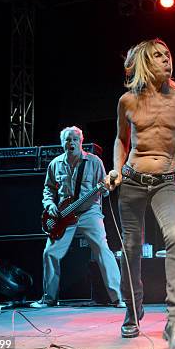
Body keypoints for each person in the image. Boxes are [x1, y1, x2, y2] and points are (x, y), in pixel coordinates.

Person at [106, 38, 175, 349]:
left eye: (168, 54)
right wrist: (115, 169)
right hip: (131, 181)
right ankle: (133, 309)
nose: (166, 59)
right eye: (158, 56)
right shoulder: (127, 101)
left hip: (166, 183)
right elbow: (120, 138)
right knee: (130, 248)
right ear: (144, 62)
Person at [32, 126, 124, 309]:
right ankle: (49, 298)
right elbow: (48, 189)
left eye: (74, 139)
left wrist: (106, 188)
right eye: (67, 139)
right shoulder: (55, 164)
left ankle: (118, 297)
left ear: (81, 142)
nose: (71, 142)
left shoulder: (94, 162)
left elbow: (104, 191)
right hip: (64, 215)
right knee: (49, 253)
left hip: (89, 212)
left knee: (102, 250)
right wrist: (50, 205)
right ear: (62, 143)